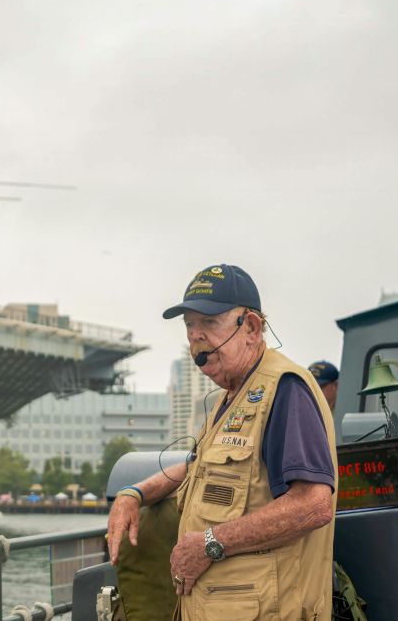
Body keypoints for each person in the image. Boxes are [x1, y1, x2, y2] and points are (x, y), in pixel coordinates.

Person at [107, 264, 337, 620]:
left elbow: (313, 503)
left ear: (251, 328)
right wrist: (133, 494)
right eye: (189, 327)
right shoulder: (230, 398)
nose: (196, 337)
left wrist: (210, 544)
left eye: (209, 323)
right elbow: (197, 466)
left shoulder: (284, 389)